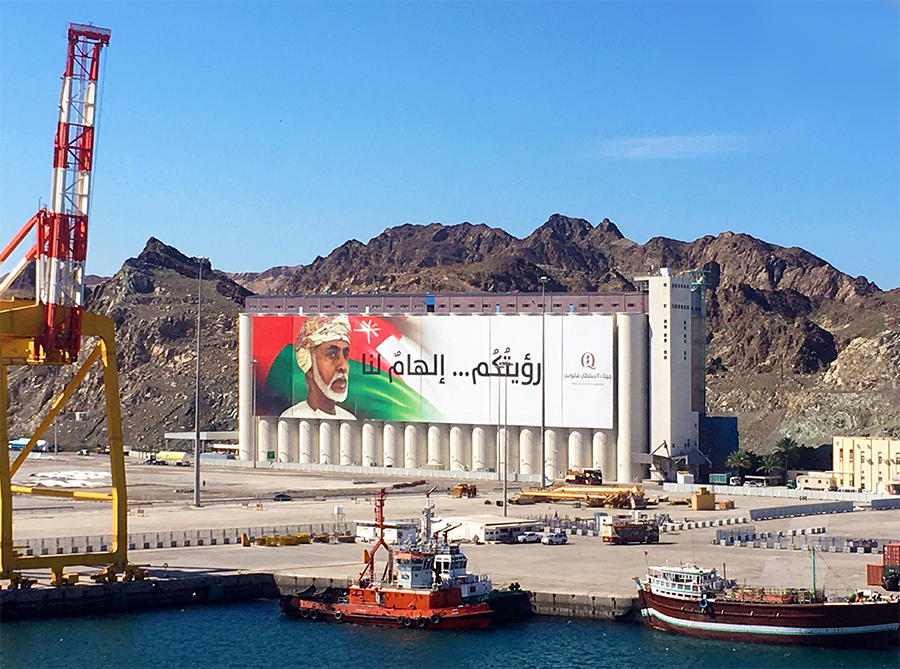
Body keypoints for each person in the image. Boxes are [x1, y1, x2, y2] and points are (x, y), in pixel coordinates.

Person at [280, 315, 356, 419]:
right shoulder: (293, 418)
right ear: (310, 366)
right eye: (332, 355)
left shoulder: (349, 419)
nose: (343, 366)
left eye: (345, 355)